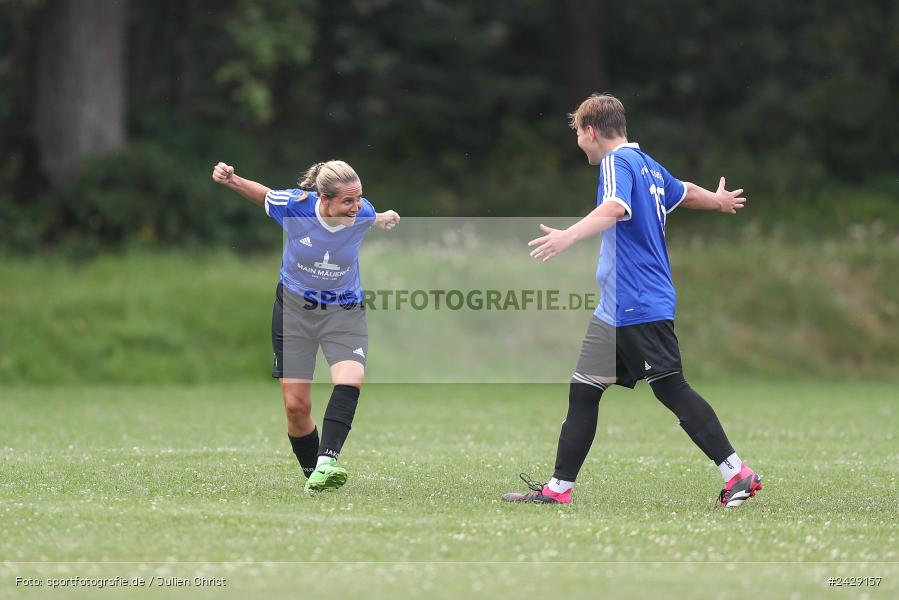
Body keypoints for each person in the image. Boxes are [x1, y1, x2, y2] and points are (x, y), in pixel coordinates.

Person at [503, 93, 760, 508]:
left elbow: (616, 207)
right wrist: (716, 200)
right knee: (584, 391)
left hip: (637, 300)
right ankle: (558, 489)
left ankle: (738, 474)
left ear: (590, 131)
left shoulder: (615, 163)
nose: (580, 145)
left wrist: (568, 235)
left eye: (579, 136)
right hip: (615, 308)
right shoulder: (647, 164)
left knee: (671, 388)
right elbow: (683, 191)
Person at [212, 159, 400, 492]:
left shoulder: (361, 211)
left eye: (359, 199)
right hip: (295, 310)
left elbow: (369, 216)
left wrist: (382, 216)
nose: (356, 206)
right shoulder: (295, 207)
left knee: (351, 377)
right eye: (347, 201)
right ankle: (316, 474)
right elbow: (264, 195)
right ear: (323, 200)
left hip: (343, 309)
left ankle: (328, 461)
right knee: (296, 407)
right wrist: (231, 179)